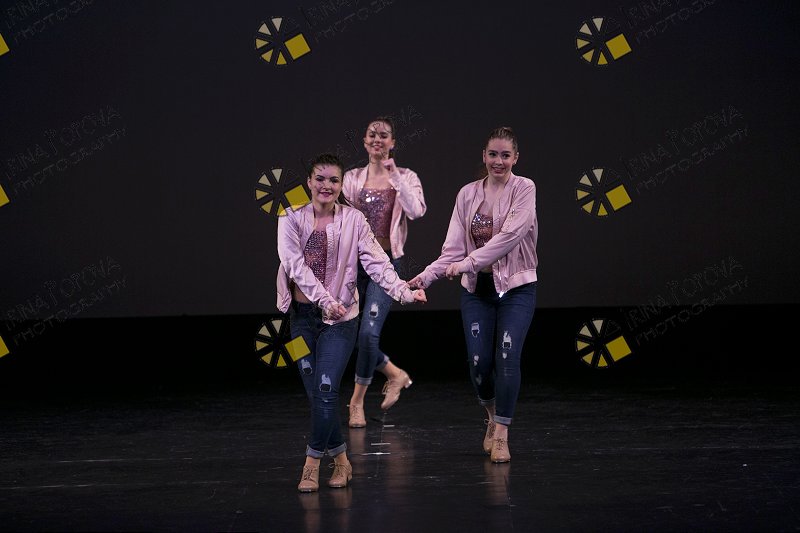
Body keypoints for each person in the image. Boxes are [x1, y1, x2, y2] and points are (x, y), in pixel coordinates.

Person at [276, 153, 427, 492]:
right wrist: (323, 300)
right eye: (320, 178)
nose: (326, 185)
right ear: (309, 182)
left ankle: (311, 465)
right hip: (299, 321)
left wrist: (404, 292)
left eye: (333, 180)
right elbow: (294, 265)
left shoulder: (354, 220)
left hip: (341, 321)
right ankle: (343, 460)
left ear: (341, 185)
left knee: (326, 390)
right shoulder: (289, 217)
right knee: (317, 397)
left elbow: (378, 263)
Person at [409, 126, 537, 463]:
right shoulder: (467, 194)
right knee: (479, 365)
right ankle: (492, 417)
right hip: (477, 291)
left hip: (516, 289)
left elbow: (510, 236)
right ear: (484, 155)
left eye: (505, 155)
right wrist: (427, 276)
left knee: (507, 357)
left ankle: (503, 434)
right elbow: (452, 249)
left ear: (516, 158)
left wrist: (467, 262)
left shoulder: (524, 188)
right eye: (493, 154)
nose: (498, 161)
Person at [342, 116, 427, 428]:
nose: (377, 139)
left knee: (368, 333)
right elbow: (340, 216)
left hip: (386, 264)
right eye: (372, 134)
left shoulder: (406, 176)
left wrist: (395, 177)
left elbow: (417, 211)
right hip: (353, 265)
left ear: (392, 143)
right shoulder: (351, 178)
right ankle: (394, 373)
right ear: (365, 141)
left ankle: (356, 402)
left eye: (384, 135)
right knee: (350, 332)